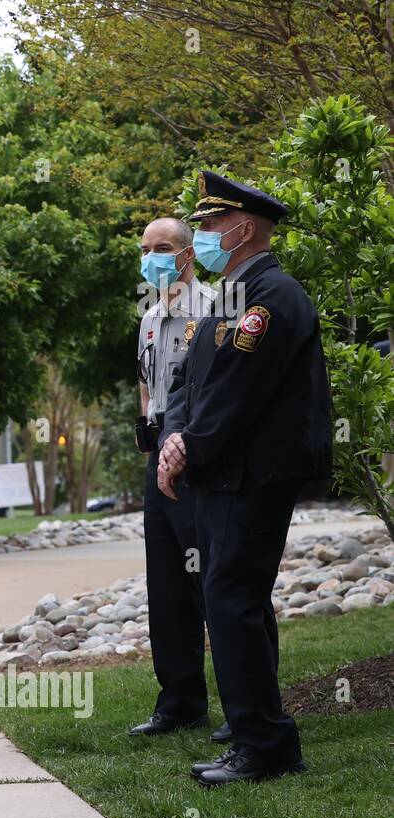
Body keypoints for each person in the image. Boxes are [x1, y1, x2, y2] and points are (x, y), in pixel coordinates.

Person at [158, 171, 332, 786]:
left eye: (208, 225)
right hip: (223, 473)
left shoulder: (271, 298)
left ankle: (263, 744)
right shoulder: (229, 299)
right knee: (232, 601)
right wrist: (175, 436)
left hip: (251, 476)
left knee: (232, 601)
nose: (201, 236)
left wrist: (189, 446)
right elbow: (187, 381)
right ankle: (258, 735)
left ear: (245, 227)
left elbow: (237, 394)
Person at [127, 216, 228, 743]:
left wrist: (183, 444)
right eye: (144, 249)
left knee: (215, 582)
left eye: (161, 248)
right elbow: (147, 385)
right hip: (158, 454)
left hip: (200, 456)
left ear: (187, 256)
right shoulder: (148, 317)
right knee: (166, 584)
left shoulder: (216, 309)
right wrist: (152, 432)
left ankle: (242, 706)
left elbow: (216, 390)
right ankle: (181, 702)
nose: (151, 259)